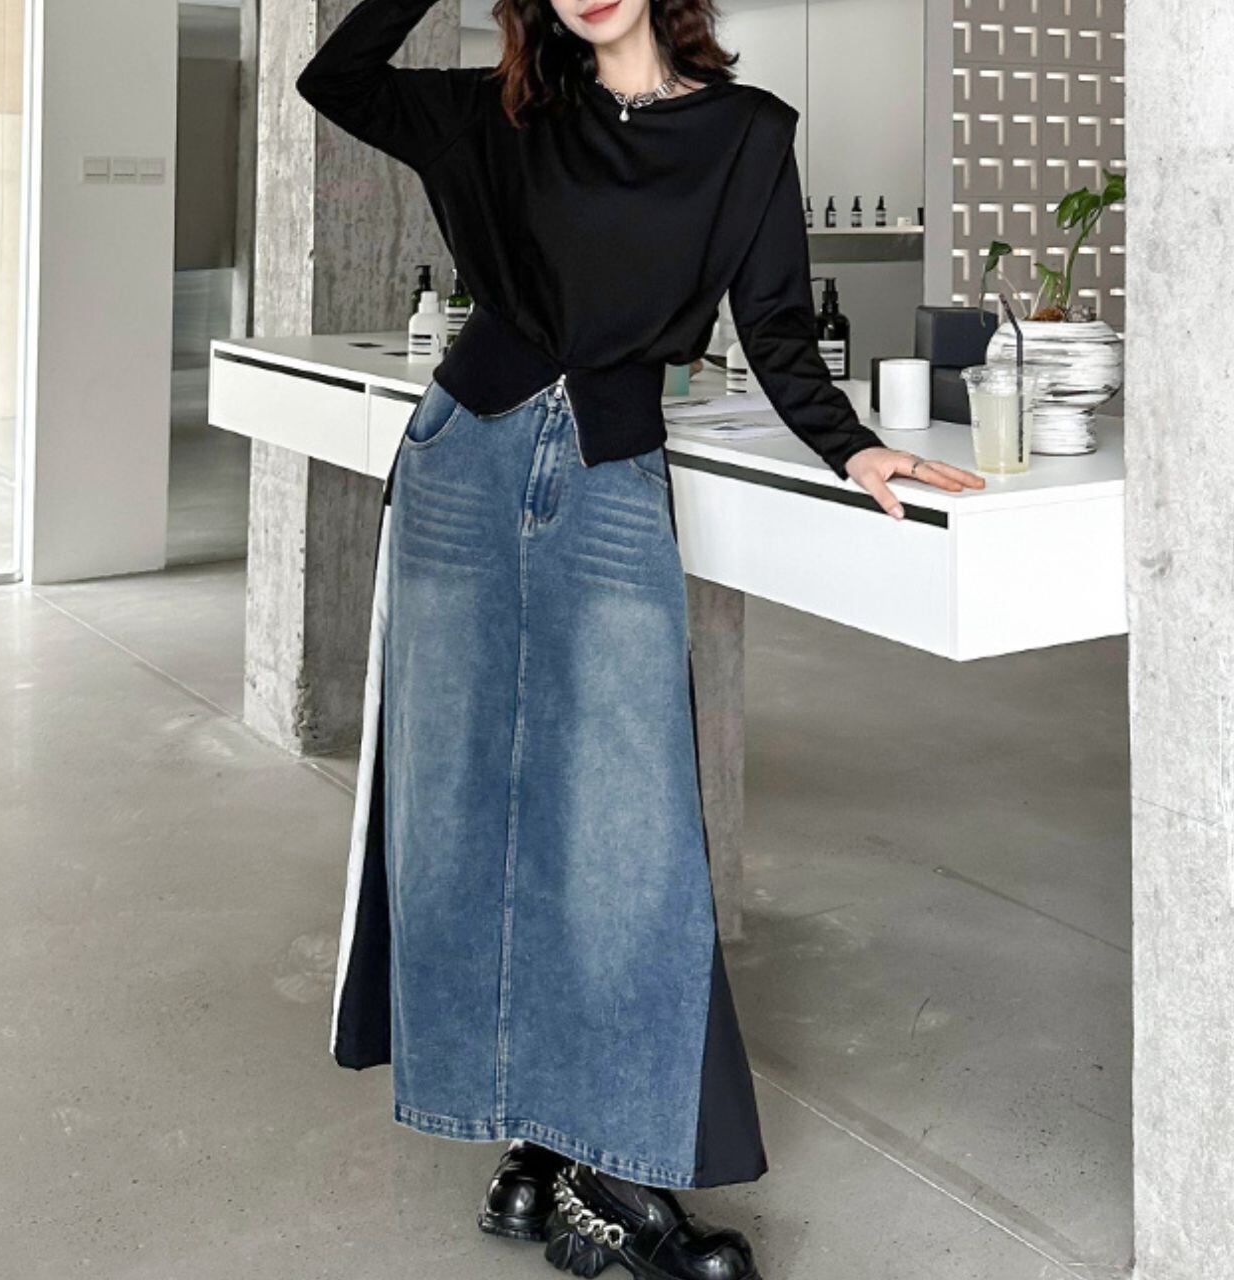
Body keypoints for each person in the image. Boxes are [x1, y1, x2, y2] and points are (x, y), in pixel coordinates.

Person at [296, 0, 984, 1275]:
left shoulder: (744, 133)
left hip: (609, 474)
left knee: (626, 825)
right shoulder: (496, 114)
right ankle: (533, 1143)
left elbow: (774, 325)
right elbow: (334, 75)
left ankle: (610, 1157)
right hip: (461, 462)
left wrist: (852, 445)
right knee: (459, 813)